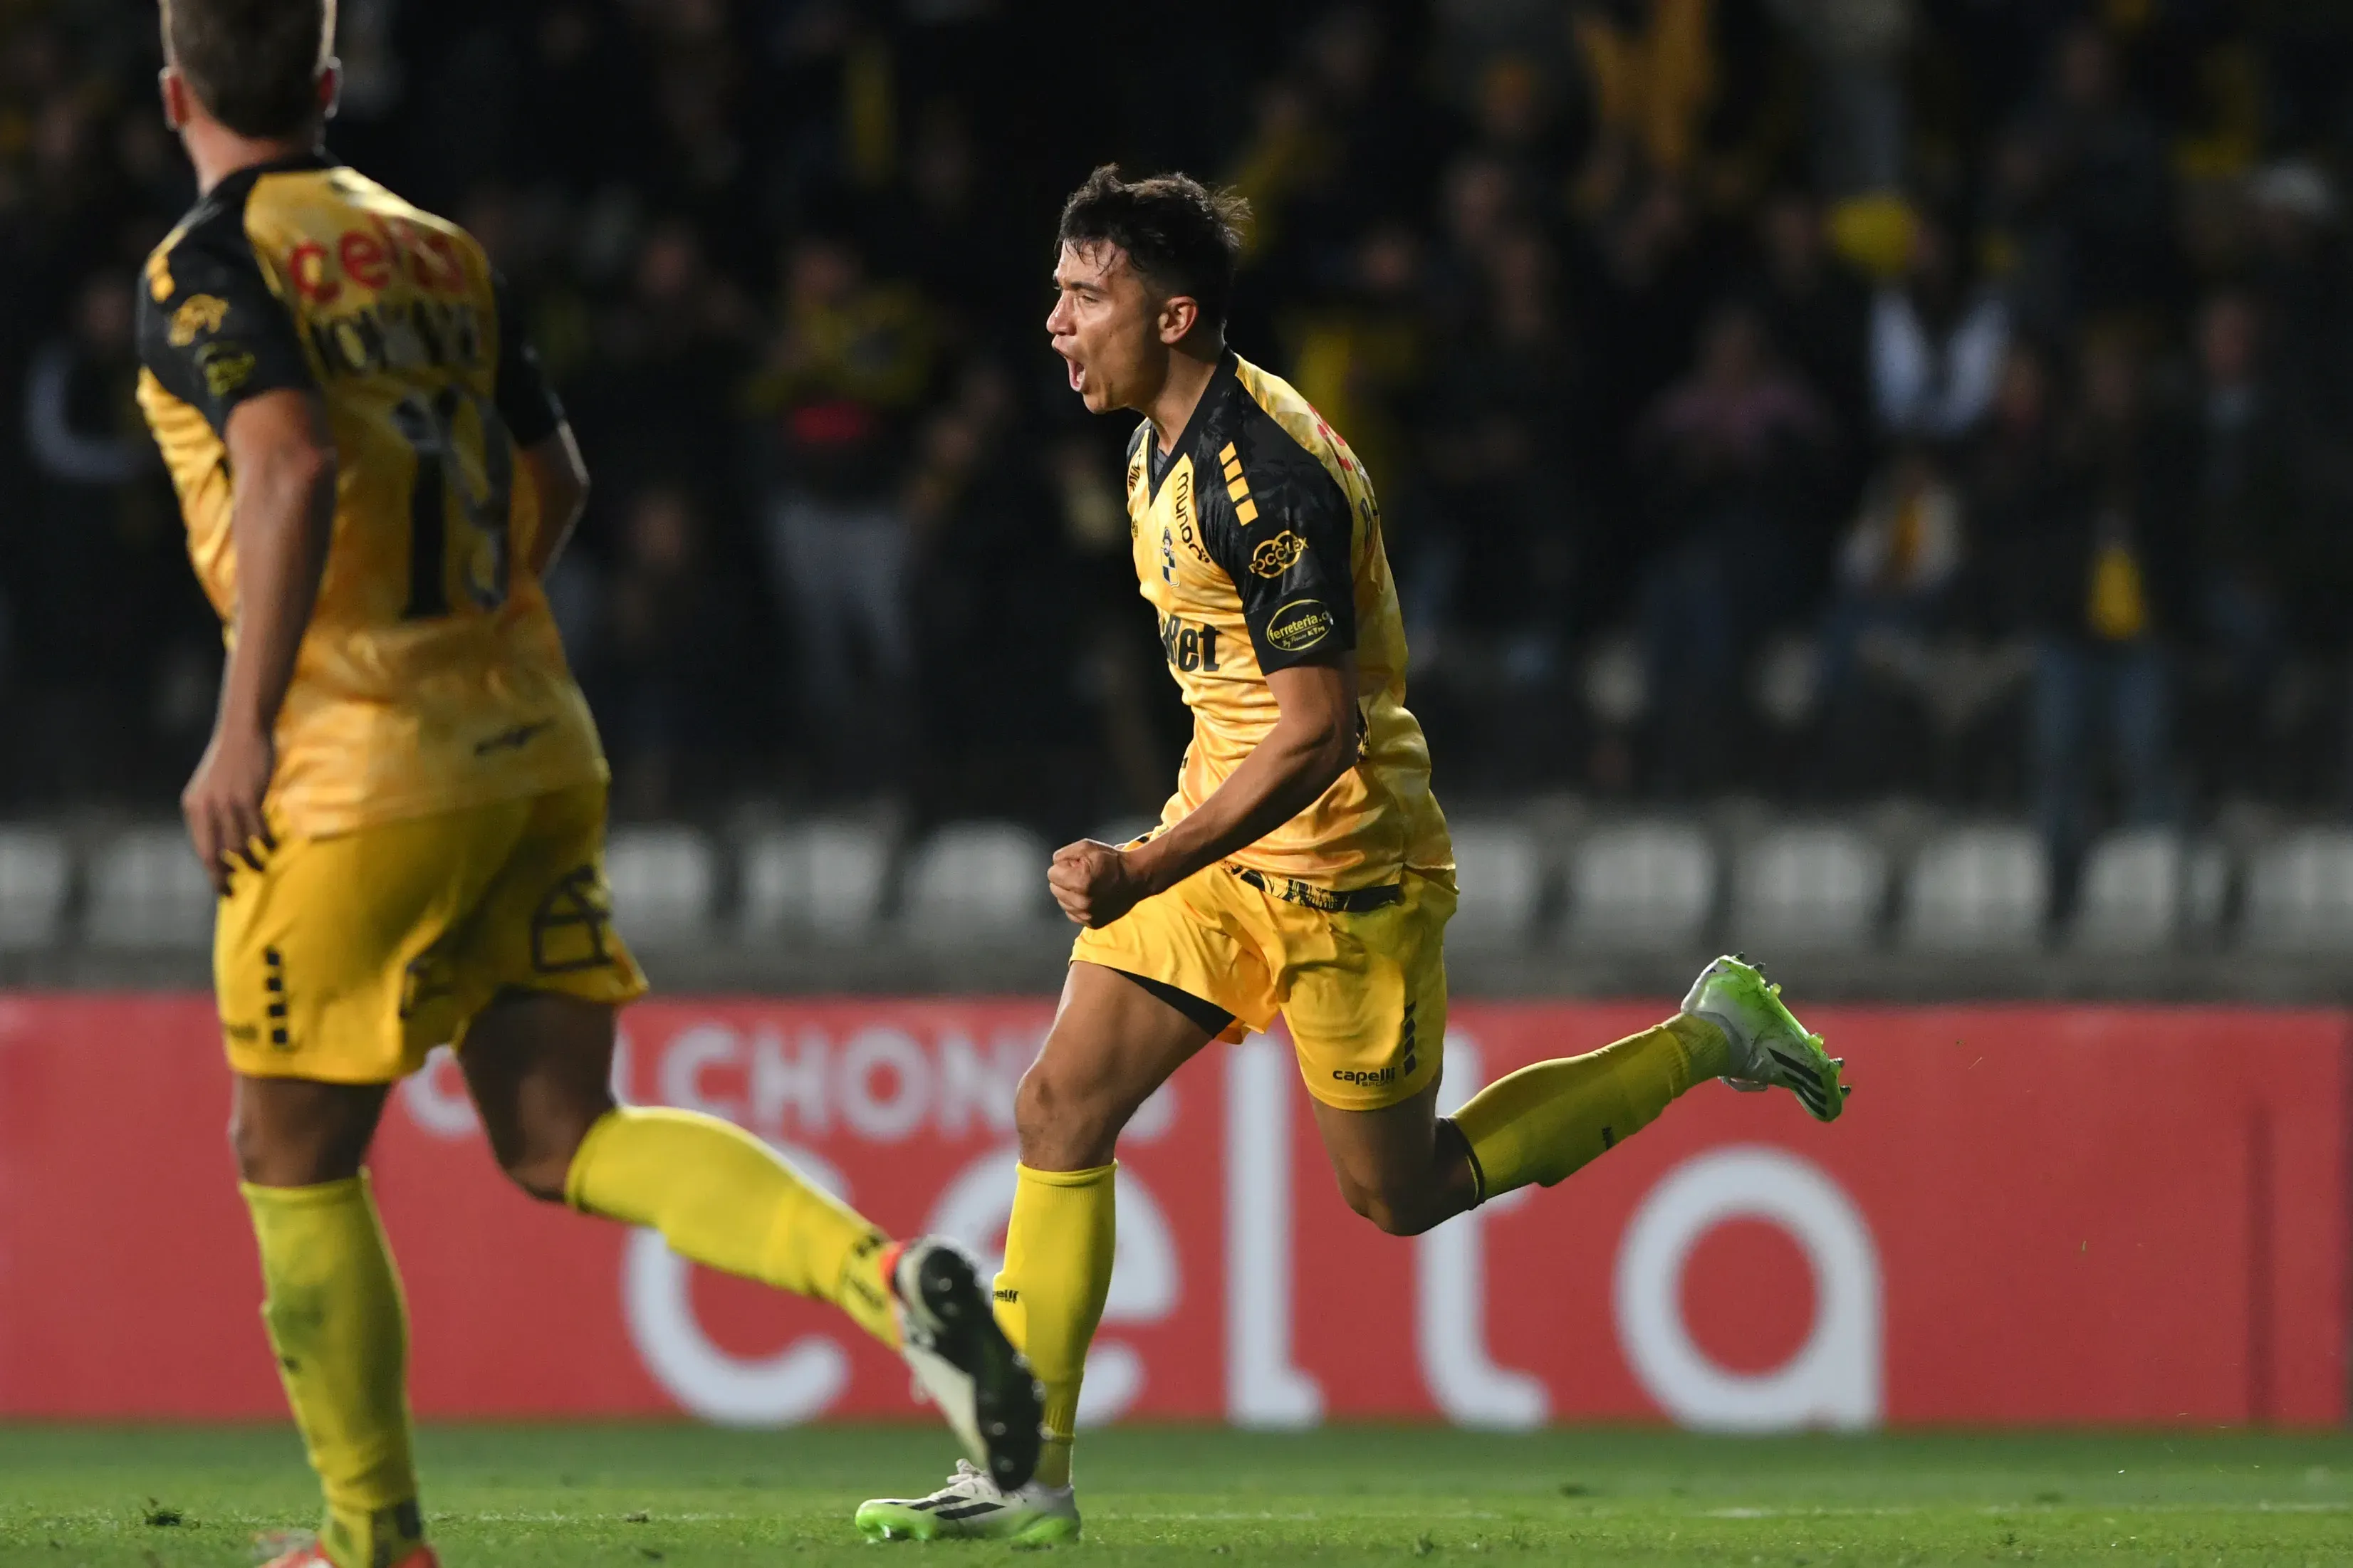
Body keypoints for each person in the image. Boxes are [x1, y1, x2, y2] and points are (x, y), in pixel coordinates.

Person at [132, 7, 1038, 1567]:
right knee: (562, 1134)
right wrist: (479, 635)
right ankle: (883, 1280)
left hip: (350, 770)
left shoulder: (202, 267)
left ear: (172, 96)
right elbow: (555, 480)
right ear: (331, 84)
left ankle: (375, 1541)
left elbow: (286, 463)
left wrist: (243, 724)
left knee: (290, 1158)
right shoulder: (441, 254)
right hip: (533, 741)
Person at [854, 165, 1851, 1545]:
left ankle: (1709, 1036)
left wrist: (1142, 863)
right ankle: (1023, 1478)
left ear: (1176, 315)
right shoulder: (1153, 440)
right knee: (1058, 1109)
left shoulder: (1266, 479)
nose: (1055, 321)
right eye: (1058, 291)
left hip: (1344, 867)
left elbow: (1319, 732)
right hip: (1222, 842)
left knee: (1400, 1191)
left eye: (1085, 296)